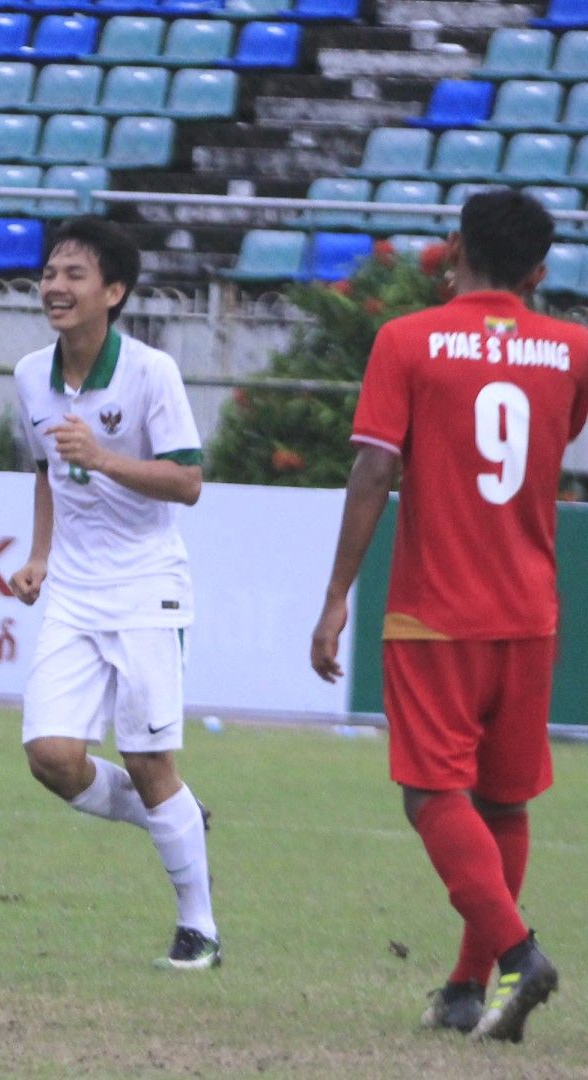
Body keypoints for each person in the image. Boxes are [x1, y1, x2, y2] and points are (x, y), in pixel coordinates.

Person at [312, 189, 583, 1042]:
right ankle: (466, 989)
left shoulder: (408, 339)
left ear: (453, 248)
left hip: (437, 610)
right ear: (540, 271)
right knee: (503, 803)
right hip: (530, 611)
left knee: (431, 793)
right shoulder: (574, 348)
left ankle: (515, 954)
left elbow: (372, 473)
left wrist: (335, 596)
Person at [5, 216, 219, 970]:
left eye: (74, 275)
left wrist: (101, 455)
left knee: (148, 757)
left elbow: (187, 481)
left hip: (145, 586)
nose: (55, 287)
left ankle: (199, 926)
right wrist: (38, 556)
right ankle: (182, 822)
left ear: (114, 292)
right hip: (72, 586)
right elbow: (45, 471)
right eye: (50, 273)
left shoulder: (150, 372)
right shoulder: (31, 373)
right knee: (51, 757)